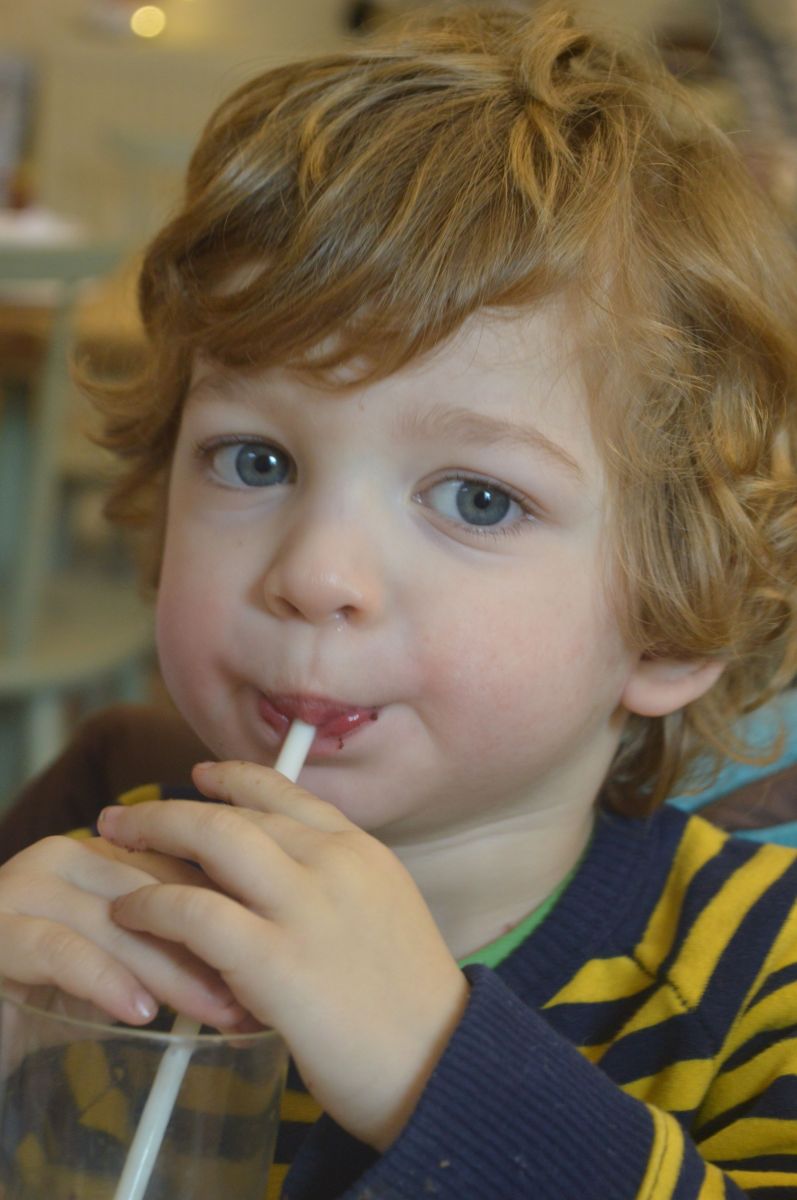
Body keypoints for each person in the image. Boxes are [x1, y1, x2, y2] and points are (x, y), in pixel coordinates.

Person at [1, 3, 797, 1196]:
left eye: (476, 499)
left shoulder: (758, 977)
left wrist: (437, 1067)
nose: (315, 573)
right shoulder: (89, 889)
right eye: (255, 460)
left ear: (676, 617)